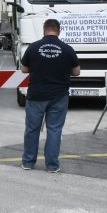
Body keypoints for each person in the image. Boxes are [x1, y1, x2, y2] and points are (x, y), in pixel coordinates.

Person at [20, 18, 81, 172]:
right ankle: (52, 165)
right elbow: (77, 72)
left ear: (44, 29)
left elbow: (24, 69)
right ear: (59, 31)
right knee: (54, 130)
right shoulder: (67, 49)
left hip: (36, 95)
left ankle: (28, 162)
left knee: (32, 129)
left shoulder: (33, 47)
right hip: (59, 96)